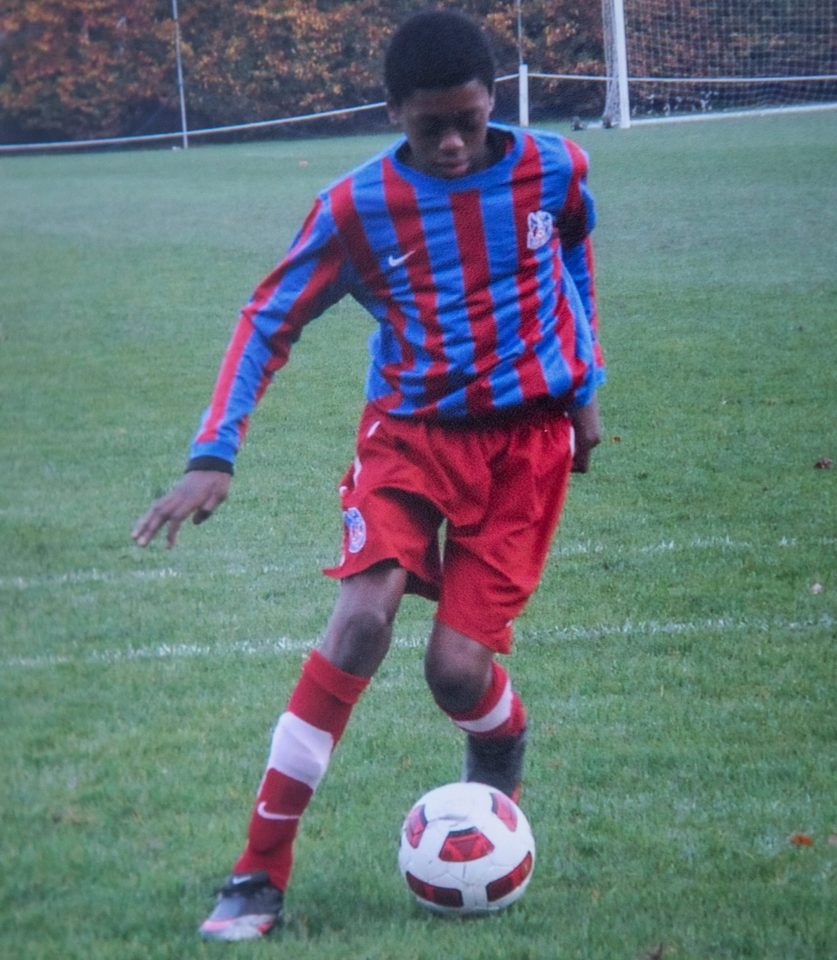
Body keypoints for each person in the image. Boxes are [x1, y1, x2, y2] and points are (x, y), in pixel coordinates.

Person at [132, 8, 604, 942]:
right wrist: (211, 455)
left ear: (492, 102)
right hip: (407, 440)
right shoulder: (355, 209)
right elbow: (267, 319)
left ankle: (499, 737)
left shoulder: (554, 168)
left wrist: (585, 383)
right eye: (431, 126)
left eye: (469, 118)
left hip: (524, 450)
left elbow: (573, 253)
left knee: (456, 671)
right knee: (359, 620)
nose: (455, 141)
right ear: (394, 112)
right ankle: (258, 874)